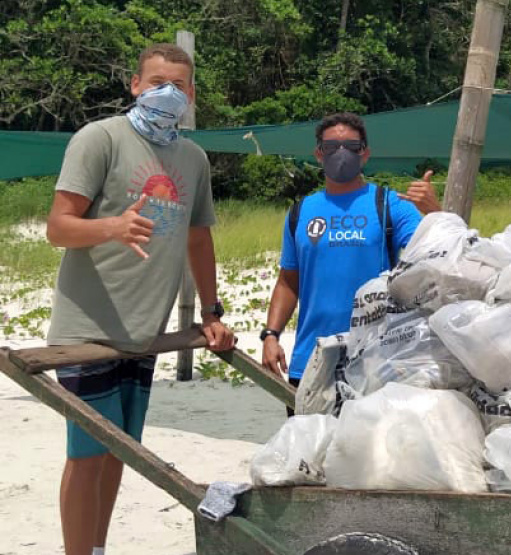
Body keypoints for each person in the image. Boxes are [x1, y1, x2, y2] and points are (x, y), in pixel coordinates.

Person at [45, 43, 235, 555]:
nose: (166, 93)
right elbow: (57, 228)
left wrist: (212, 312)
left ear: (191, 94)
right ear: (135, 85)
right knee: (86, 455)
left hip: (143, 333)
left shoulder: (192, 158)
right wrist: (111, 226)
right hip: (86, 329)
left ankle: (99, 549)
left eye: (177, 85)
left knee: (118, 453)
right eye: (156, 83)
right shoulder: (99, 138)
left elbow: (198, 237)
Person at [261, 112, 440, 410]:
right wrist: (270, 335)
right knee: (307, 451)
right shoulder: (300, 212)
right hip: (311, 360)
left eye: (351, 146)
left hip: (374, 359)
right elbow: (288, 282)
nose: (340, 153)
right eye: (331, 147)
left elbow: (439, 250)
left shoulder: (389, 204)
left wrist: (434, 210)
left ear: (365, 154)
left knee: (367, 453)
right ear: (319, 154)